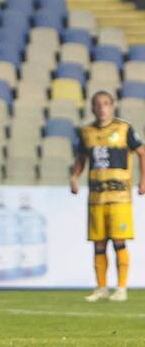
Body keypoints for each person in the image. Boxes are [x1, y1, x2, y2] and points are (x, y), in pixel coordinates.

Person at [71, 90, 145, 302]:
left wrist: (143, 181)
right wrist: (74, 177)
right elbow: (81, 158)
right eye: (98, 104)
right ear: (92, 108)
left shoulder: (123, 129)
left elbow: (141, 152)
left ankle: (121, 288)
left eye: (106, 104)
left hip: (120, 196)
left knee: (119, 242)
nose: (102, 108)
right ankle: (101, 288)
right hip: (96, 197)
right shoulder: (86, 132)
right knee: (99, 243)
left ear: (112, 106)